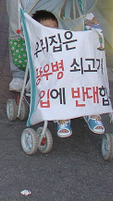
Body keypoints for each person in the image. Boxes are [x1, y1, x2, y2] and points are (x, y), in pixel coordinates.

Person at [31, 10, 105, 138]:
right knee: (61, 83)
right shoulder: (39, 44)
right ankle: (62, 117)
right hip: (54, 74)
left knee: (90, 73)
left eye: (54, 28)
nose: (52, 31)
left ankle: (92, 112)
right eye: (47, 29)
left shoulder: (62, 40)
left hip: (71, 69)